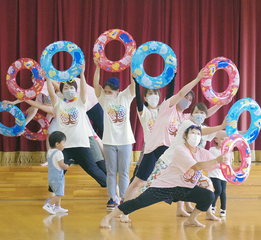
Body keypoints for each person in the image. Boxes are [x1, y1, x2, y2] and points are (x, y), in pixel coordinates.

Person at [122, 68, 222, 209]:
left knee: (181, 179)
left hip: (169, 154)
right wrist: (198, 78)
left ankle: (181, 209)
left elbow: (204, 115)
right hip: (154, 149)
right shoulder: (168, 107)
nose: (187, 100)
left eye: (190, 100)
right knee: (138, 182)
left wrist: (221, 104)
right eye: (185, 98)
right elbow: (180, 92)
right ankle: (124, 210)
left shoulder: (185, 117)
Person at [100, 125, 229, 229]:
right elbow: (196, 166)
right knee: (138, 202)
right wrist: (217, 160)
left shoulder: (202, 152)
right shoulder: (180, 149)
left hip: (184, 188)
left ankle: (192, 219)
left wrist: (227, 165)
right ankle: (108, 218)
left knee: (208, 196)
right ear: (185, 135)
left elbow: (213, 165)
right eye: (193, 133)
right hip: (165, 186)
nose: (196, 136)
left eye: (198, 134)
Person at [93, 58, 135, 210]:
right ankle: (112, 198)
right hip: (109, 141)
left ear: (118, 90)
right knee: (111, 172)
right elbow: (95, 86)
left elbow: (133, 84)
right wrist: (98, 67)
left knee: (123, 171)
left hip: (125, 140)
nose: (107, 94)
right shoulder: (104, 99)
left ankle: (123, 198)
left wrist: (131, 67)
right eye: (105, 91)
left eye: (110, 92)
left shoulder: (126, 97)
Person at [43, 131, 69, 215]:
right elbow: (61, 164)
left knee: (58, 192)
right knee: (59, 194)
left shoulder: (50, 151)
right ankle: (49, 205)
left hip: (51, 177)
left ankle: (58, 207)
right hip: (57, 177)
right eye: (63, 143)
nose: (64, 145)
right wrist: (66, 166)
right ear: (57, 144)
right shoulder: (59, 153)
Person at [208, 131, 228, 217]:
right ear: (216, 140)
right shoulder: (212, 150)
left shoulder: (227, 151)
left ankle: (223, 209)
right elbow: (210, 160)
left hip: (223, 175)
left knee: (223, 192)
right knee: (218, 190)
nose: (223, 141)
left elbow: (228, 162)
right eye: (221, 139)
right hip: (214, 173)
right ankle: (212, 206)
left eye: (224, 140)